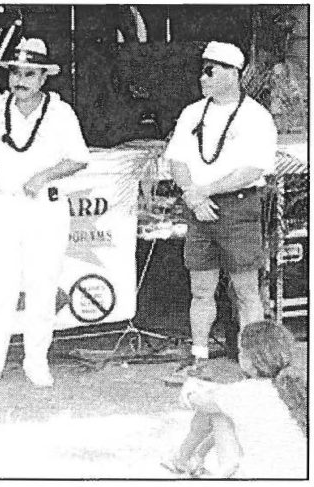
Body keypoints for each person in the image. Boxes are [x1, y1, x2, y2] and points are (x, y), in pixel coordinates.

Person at [0, 38, 90, 390]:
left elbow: (78, 158)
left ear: (44, 78)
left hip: (46, 208)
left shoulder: (61, 112)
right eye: (15, 73)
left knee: (42, 285)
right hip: (6, 206)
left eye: (29, 74)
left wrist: (43, 176)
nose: (20, 81)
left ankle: (37, 361)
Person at [162, 41, 277, 382]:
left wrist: (204, 191)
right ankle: (199, 357)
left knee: (246, 290)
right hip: (199, 207)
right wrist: (192, 197)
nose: (204, 77)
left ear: (233, 74)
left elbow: (254, 169)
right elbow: (177, 158)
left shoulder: (256, 116)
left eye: (211, 71)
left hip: (238, 206)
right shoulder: (192, 113)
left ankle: (255, 363)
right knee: (201, 288)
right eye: (203, 70)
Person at [163, 320, 306, 478]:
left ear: (251, 360)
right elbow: (227, 398)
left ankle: (182, 458)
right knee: (221, 408)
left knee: (217, 413)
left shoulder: (243, 392)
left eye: (241, 352)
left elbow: (198, 401)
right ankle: (191, 457)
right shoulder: (293, 387)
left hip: (261, 475)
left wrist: (190, 387)